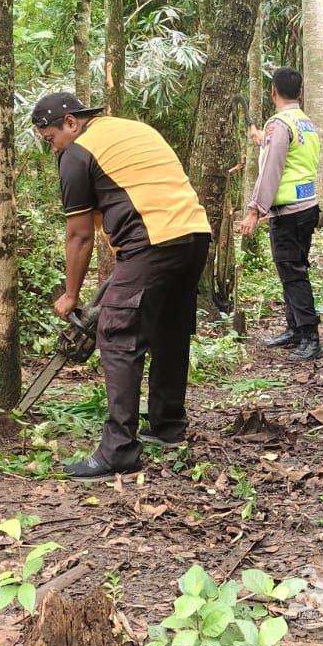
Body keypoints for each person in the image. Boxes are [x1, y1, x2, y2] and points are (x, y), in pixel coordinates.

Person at [32, 92, 212, 480]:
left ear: (70, 122)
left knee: (116, 334)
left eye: (51, 139)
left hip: (152, 241)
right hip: (194, 233)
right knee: (169, 330)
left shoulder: (77, 153)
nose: (54, 149)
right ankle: (167, 425)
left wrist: (71, 295)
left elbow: (79, 235)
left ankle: (118, 450)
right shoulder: (131, 130)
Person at [241, 67, 322, 361]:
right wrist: (263, 139)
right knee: (294, 269)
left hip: (287, 213)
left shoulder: (278, 124)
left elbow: (271, 170)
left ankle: (310, 337)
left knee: (292, 274)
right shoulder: (305, 122)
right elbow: (288, 153)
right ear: (300, 92)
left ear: (273, 91)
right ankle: (295, 328)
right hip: (307, 207)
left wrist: (254, 210)